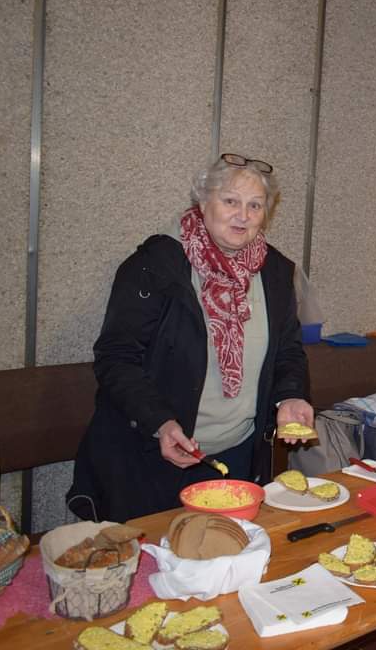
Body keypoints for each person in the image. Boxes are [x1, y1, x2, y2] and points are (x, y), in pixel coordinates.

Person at [67, 153, 316, 522]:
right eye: (230, 201)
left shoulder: (275, 272)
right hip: (152, 457)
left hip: (236, 457)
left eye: (255, 205)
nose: (243, 215)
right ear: (202, 202)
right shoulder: (155, 266)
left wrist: (291, 394)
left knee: (227, 553)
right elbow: (116, 358)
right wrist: (161, 422)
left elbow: (288, 351)